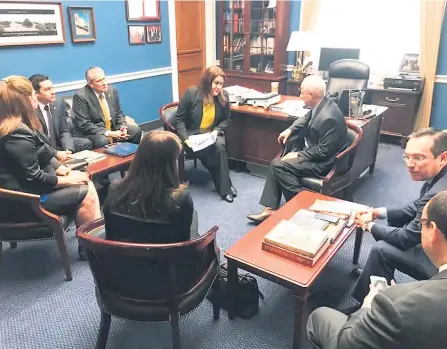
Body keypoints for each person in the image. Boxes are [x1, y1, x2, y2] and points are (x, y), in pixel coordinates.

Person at [306, 190, 447, 349]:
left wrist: (368, 306)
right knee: (381, 250)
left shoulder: (398, 302)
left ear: (432, 230)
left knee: (319, 317)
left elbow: (348, 347)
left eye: (421, 224)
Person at [0, 76, 102, 260]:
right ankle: (91, 248)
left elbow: (45, 152)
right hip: (24, 202)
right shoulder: (15, 132)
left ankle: (90, 243)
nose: (35, 96)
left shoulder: (21, 123)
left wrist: (65, 170)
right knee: (87, 191)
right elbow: (35, 179)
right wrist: (69, 180)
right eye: (33, 93)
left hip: (29, 191)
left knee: (83, 180)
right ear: (25, 99)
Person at [344, 128, 447, 313]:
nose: (410, 164)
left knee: (381, 249)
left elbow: (405, 238)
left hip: (441, 264)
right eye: (406, 156)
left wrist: (368, 225)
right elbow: (417, 205)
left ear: (442, 157)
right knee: (391, 232)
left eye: (418, 158)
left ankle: (366, 310)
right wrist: (378, 212)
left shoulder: (437, 191)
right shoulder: (441, 177)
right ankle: (375, 277)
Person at [248, 75, 348, 223]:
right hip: (315, 151)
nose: (300, 96)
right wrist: (291, 129)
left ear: (312, 95)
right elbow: (307, 117)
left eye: (302, 92)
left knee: (278, 165)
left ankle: (303, 206)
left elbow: (323, 152)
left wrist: (297, 155)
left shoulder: (329, 118)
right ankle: (272, 208)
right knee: (278, 163)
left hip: (325, 162)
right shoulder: (322, 103)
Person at [103, 130, 198, 242]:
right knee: (193, 215)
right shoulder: (180, 199)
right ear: (170, 164)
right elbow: (184, 242)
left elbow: (110, 234)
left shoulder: (115, 188)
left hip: (122, 257)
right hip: (165, 258)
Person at [174, 65, 236, 203]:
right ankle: (226, 185)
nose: (218, 87)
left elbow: (227, 118)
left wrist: (216, 131)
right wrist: (185, 139)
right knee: (215, 152)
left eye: (221, 84)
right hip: (193, 137)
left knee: (219, 146)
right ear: (208, 82)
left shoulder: (223, 95)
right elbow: (179, 119)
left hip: (211, 134)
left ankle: (224, 188)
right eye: (216, 83)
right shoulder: (191, 93)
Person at [72, 66, 142, 149]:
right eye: (99, 81)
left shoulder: (112, 91)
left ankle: (129, 159)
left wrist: (123, 127)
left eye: (104, 79)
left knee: (136, 131)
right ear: (90, 84)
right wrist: (109, 133)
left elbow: (118, 113)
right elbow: (85, 124)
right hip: (93, 132)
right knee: (103, 140)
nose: (104, 83)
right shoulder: (81, 96)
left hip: (112, 127)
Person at [29, 74, 92, 153]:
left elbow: (64, 130)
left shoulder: (58, 103)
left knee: (85, 143)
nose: (53, 92)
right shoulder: (30, 109)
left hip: (58, 143)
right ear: (36, 93)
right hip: (43, 147)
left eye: (52, 88)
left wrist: (68, 149)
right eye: (47, 89)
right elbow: (38, 139)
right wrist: (56, 153)